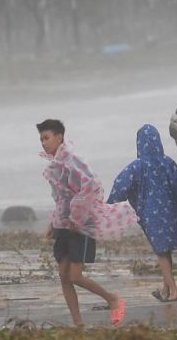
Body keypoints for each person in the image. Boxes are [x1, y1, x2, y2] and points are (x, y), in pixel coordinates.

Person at [37, 118, 138, 327]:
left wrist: (76, 215)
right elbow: (60, 198)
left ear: (59, 137)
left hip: (80, 224)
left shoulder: (73, 160)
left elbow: (92, 186)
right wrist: (53, 223)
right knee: (64, 275)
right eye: (41, 139)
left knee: (75, 275)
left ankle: (113, 299)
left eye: (46, 138)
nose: (44, 143)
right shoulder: (56, 165)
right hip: (64, 225)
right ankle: (79, 325)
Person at [108, 124, 177, 303]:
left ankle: (174, 292)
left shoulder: (137, 166)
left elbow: (121, 185)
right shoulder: (168, 163)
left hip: (152, 216)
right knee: (165, 250)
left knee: (161, 252)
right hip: (172, 213)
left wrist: (109, 204)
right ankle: (165, 290)